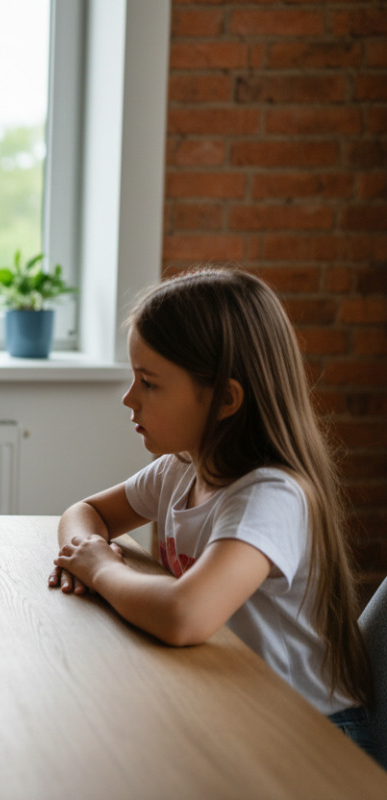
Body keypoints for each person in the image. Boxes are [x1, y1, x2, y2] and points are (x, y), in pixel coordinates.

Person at [50, 267, 373, 749]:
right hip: (239, 704)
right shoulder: (180, 470)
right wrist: (91, 544)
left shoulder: (270, 496)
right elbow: (85, 511)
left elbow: (186, 616)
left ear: (225, 399)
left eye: (149, 382)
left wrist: (99, 569)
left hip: (312, 734)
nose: (128, 398)